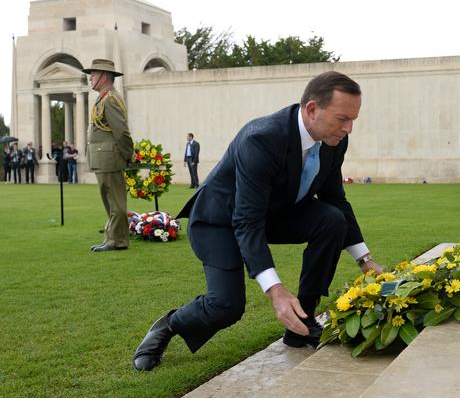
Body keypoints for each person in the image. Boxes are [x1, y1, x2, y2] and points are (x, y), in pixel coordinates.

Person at [132, 71, 384, 371]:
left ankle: (301, 324)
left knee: (331, 219)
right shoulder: (261, 138)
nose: (349, 129)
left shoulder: (333, 141)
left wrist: (364, 260)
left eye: (353, 119)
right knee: (226, 306)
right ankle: (169, 325)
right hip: (220, 222)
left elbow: (335, 198)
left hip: (271, 216)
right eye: (343, 118)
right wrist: (275, 291)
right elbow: (246, 219)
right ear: (312, 109)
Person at [83, 59, 134, 252]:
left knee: (115, 201)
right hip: (103, 158)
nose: (90, 78)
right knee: (109, 200)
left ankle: (118, 241)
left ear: (104, 76)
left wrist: (128, 153)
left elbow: (121, 131)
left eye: (93, 74)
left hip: (110, 157)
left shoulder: (110, 99)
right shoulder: (104, 98)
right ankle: (112, 238)